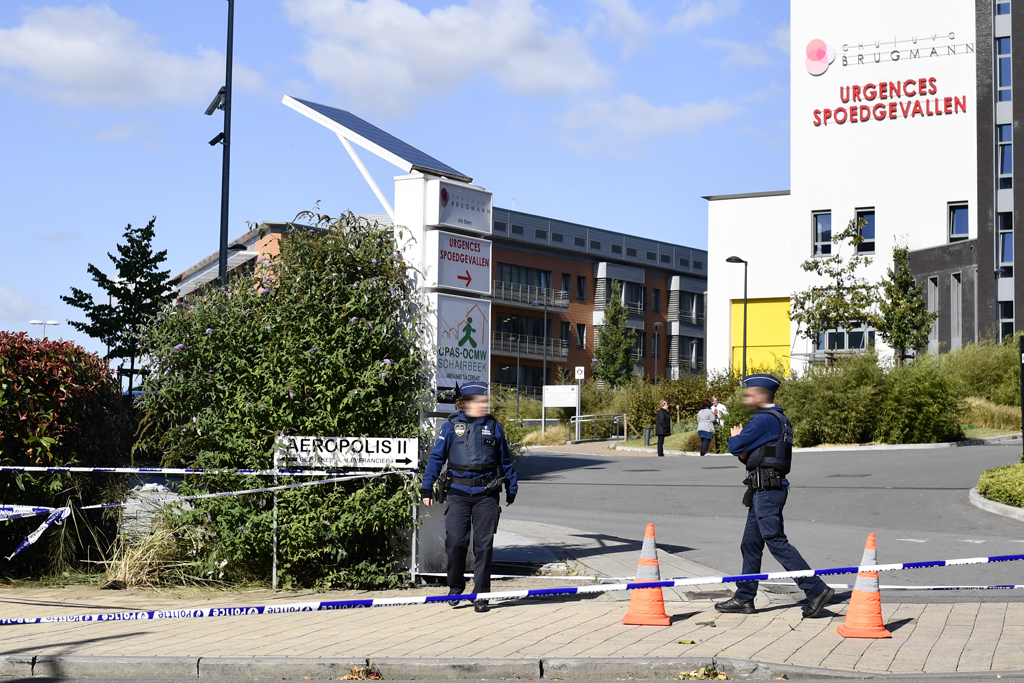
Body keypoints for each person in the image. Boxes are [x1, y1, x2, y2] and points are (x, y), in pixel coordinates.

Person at [714, 374, 834, 618]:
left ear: (760, 395)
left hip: (767, 491)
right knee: (750, 544)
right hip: (764, 489)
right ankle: (744, 597)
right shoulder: (780, 419)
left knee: (776, 541)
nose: (747, 399)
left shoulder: (763, 420)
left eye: (749, 395)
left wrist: (736, 437)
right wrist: (743, 450)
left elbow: (736, 448)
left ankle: (816, 589)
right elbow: (749, 456)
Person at [421, 382, 518, 613]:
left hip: (487, 494)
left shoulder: (494, 426)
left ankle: (481, 595)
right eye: (476, 400)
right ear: (464, 403)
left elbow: (505, 460)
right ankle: (455, 588)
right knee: (455, 543)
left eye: (483, 400)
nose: (482, 404)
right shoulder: (451, 427)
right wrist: (427, 488)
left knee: (483, 546)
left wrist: (512, 487)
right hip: (458, 494)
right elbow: (436, 458)